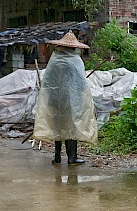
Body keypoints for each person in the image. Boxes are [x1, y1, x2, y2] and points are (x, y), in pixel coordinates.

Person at [33, 31, 98, 165]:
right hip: (71, 101)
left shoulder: (54, 60)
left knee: (58, 126)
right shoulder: (75, 61)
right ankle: (72, 157)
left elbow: (48, 82)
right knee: (71, 127)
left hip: (53, 100)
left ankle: (57, 157)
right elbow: (80, 84)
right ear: (73, 47)